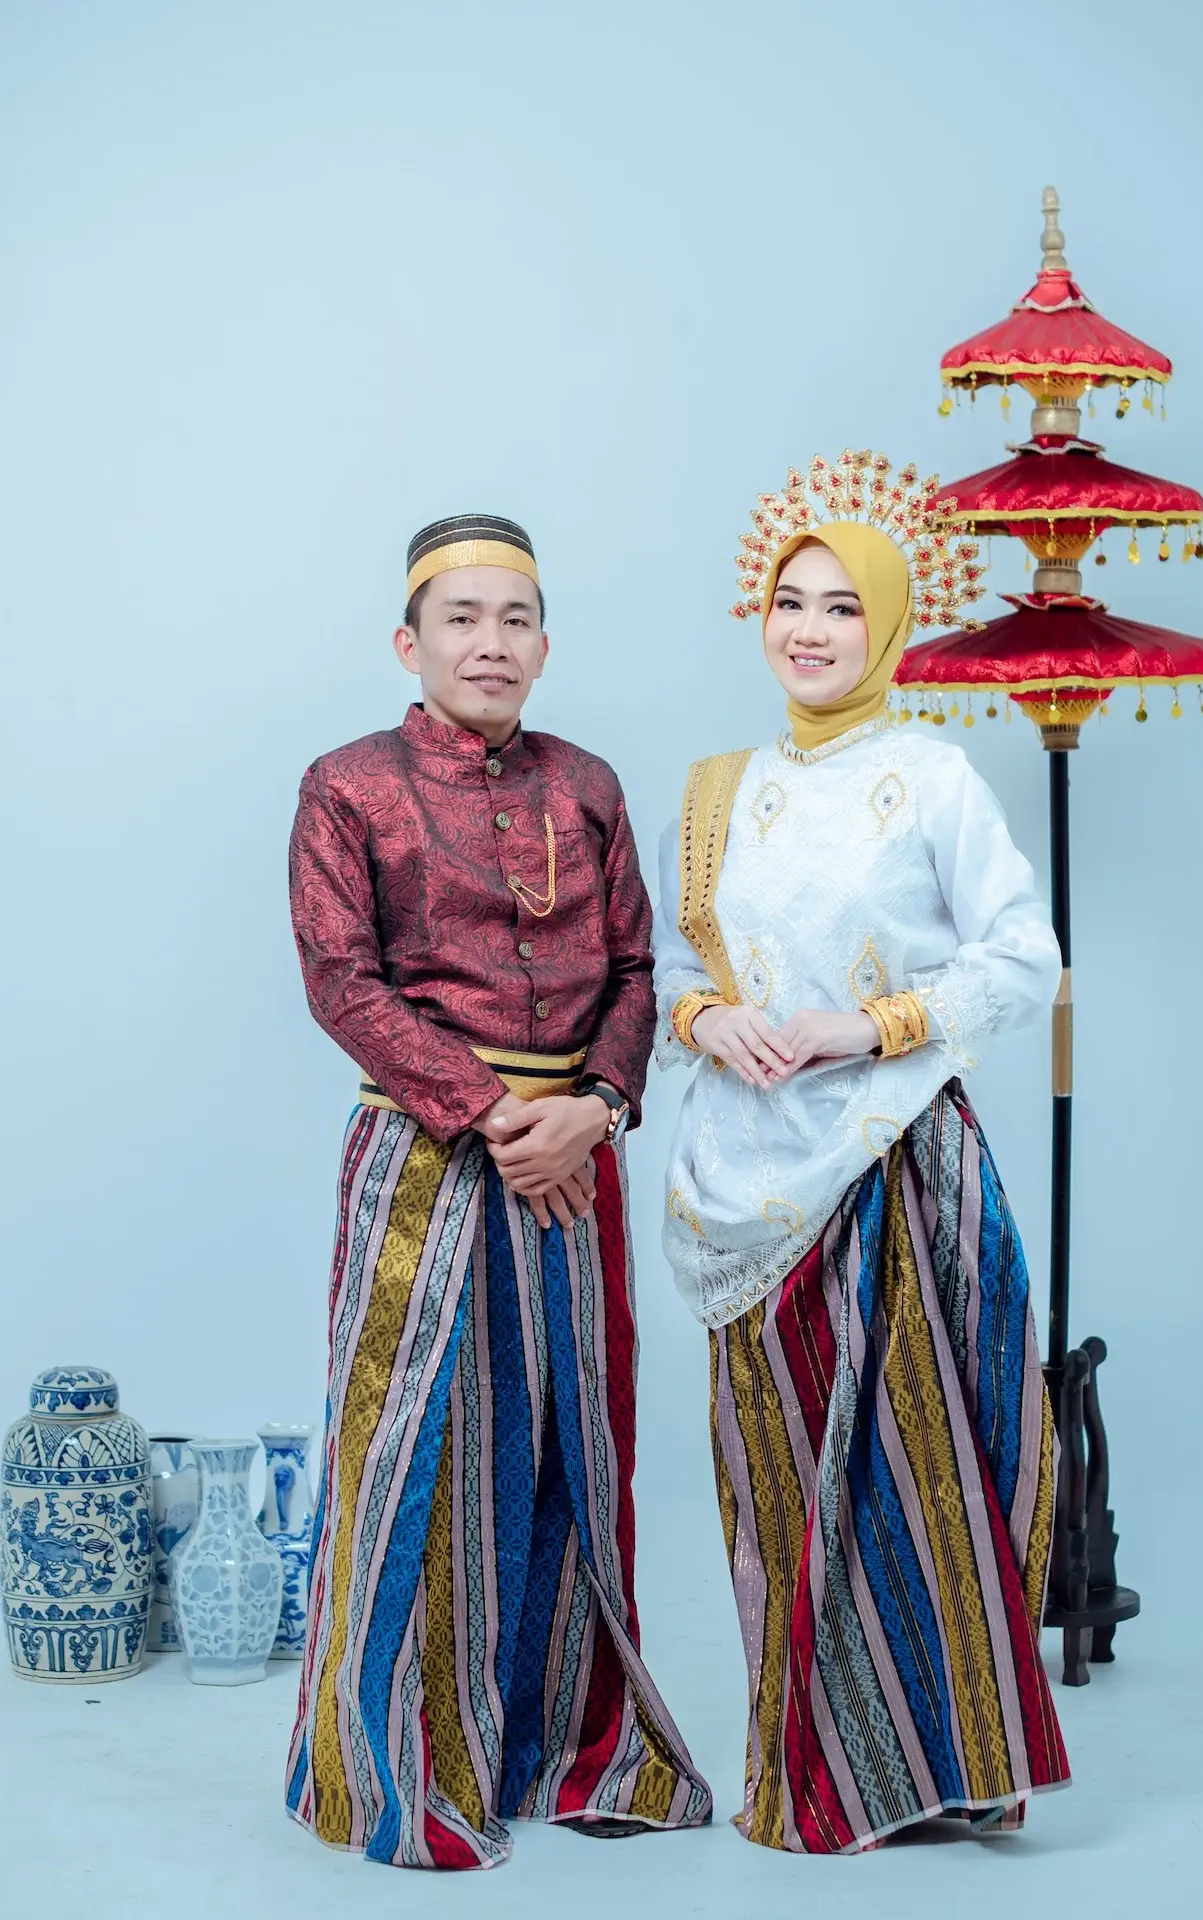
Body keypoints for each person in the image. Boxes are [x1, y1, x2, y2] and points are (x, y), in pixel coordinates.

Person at [652, 453, 1070, 1854]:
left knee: (922, 1471)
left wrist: (868, 1026)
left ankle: (951, 1764)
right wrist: (705, 1018)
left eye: (842, 607)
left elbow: (1024, 958)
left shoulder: (931, 776)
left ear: (887, 627)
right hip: (743, 1167)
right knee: (778, 1478)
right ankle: (816, 1771)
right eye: (790, 602)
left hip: (893, 1160)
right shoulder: (716, 792)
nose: (810, 630)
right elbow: (670, 962)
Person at [285, 513, 710, 1869]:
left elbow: (639, 970)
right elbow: (341, 980)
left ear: (544, 644)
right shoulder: (348, 786)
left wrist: (597, 1107)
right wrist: (489, 1109)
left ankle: (563, 1745)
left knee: (566, 1447)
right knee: (410, 1451)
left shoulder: (586, 784)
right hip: (424, 1153)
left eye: (513, 619)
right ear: (407, 643)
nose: (489, 643)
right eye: (460, 619)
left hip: (575, 1157)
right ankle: (398, 1764)